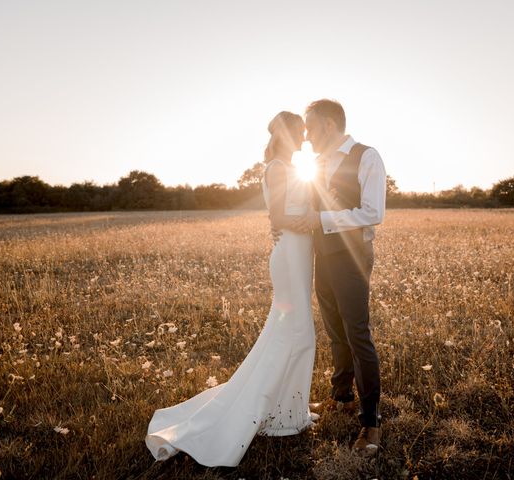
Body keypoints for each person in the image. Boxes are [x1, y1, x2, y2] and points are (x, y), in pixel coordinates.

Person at [145, 111, 317, 467]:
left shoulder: (283, 165)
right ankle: (279, 414)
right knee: (298, 332)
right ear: (286, 134)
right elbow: (279, 217)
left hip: (298, 252)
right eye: (300, 132)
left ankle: (287, 409)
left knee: (292, 331)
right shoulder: (279, 168)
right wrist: (317, 222)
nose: (305, 138)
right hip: (291, 252)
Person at [299, 99, 386, 456]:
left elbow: (373, 212)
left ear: (331, 125)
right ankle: (342, 396)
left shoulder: (367, 157)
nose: (306, 136)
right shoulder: (316, 164)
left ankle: (371, 423)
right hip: (324, 256)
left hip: (351, 258)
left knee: (357, 333)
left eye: (310, 128)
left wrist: (323, 220)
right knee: (335, 330)